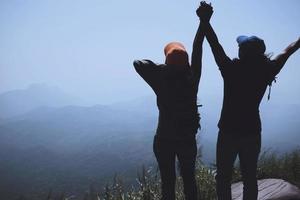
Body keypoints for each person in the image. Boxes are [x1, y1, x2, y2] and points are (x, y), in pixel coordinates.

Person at [197, 2, 300, 199]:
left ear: (242, 52)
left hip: (228, 131)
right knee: (250, 177)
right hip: (252, 131)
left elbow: (214, 44)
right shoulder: (267, 69)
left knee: (223, 178)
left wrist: (205, 21)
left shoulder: (231, 70)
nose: (237, 48)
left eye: (239, 46)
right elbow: (288, 51)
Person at [133, 3, 211, 200]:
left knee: (168, 182)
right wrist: (203, 22)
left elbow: (138, 63)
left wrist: (164, 68)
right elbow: (197, 47)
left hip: (164, 139)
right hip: (186, 138)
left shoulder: (159, 78)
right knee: (189, 180)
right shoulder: (193, 77)